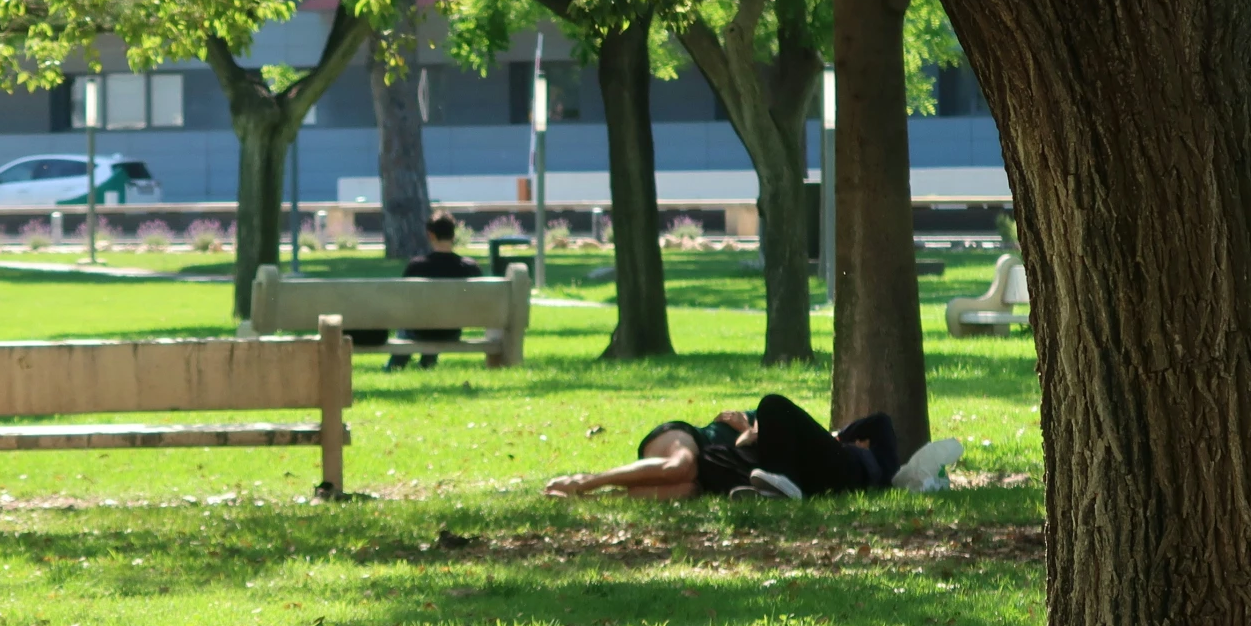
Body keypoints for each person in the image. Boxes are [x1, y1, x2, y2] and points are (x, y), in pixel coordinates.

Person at [545, 394, 922, 500]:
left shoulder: (780, 437)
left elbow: (749, 444)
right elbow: (744, 440)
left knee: (688, 487)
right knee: (680, 468)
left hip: (719, 467)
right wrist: (747, 426)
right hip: (694, 439)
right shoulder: (751, 420)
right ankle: (585, 482)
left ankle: (592, 496)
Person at [349, 214, 483, 370]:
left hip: (420, 330)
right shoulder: (471, 268)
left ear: (430, 235)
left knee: (413, 326)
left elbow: (404, 303)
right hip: (452, 331)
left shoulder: (417, 266)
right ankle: (426, 364)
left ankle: (393, 367)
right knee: (435, 320)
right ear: (453, 235)